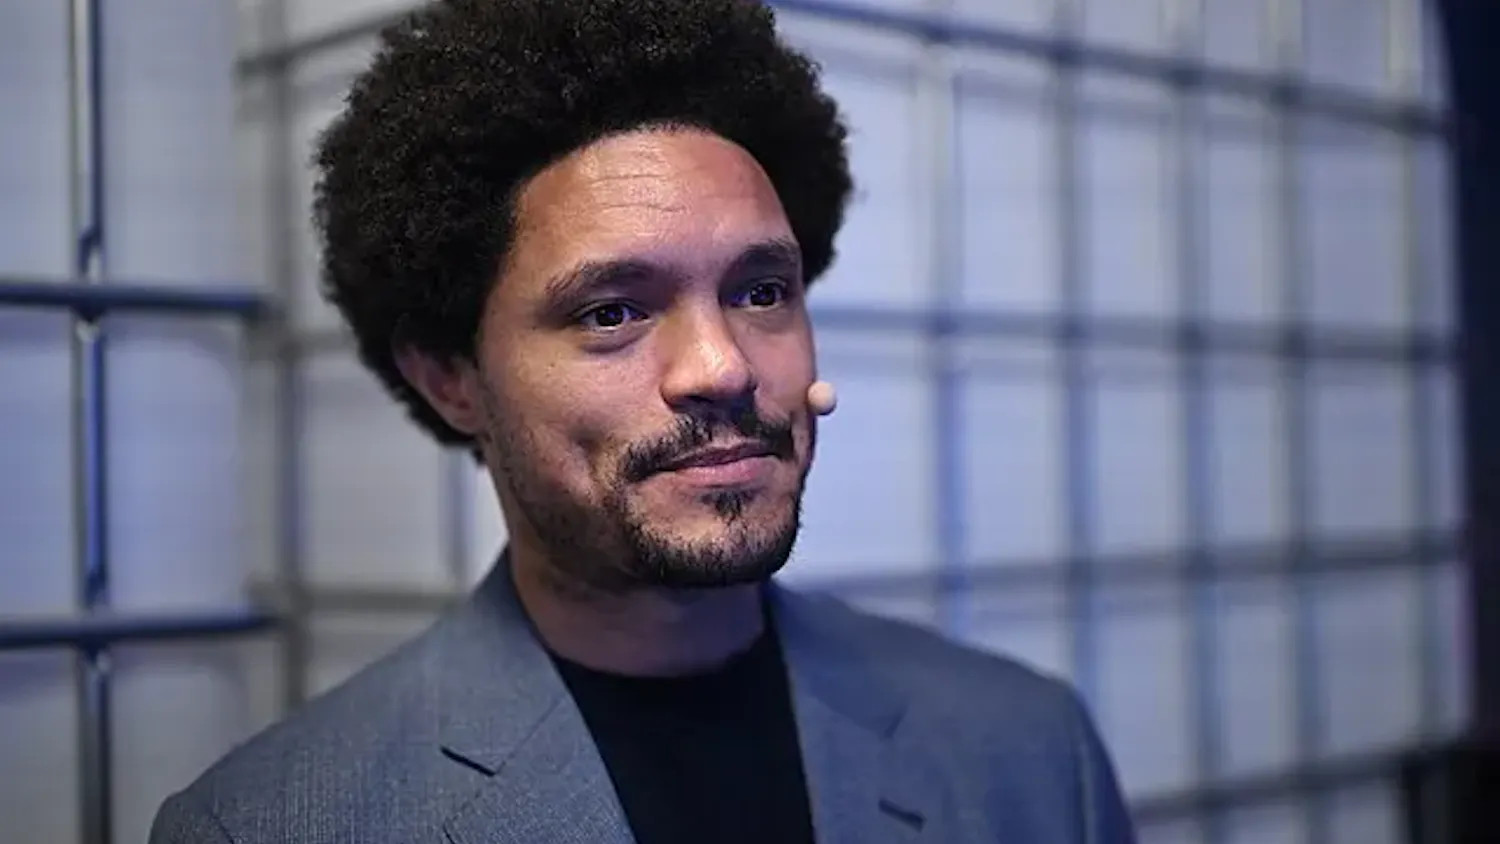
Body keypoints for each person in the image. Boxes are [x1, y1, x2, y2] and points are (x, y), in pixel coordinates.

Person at [150, 1, 1137, 841]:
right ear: (452, 377)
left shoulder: (1031, 754)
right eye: (611, 311)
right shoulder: (272, 824)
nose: (722, 367)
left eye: (760, 290)